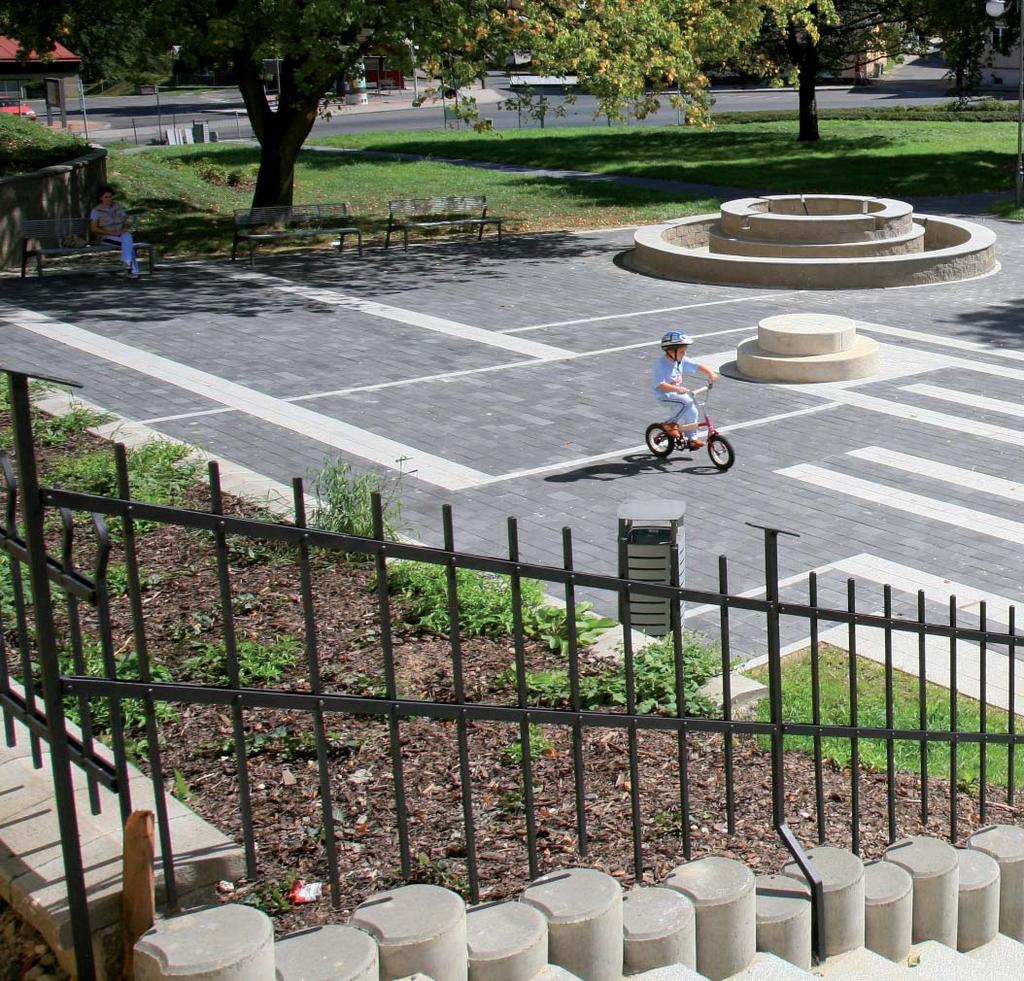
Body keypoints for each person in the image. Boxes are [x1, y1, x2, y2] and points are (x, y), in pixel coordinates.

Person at [652, 330, 718, 450]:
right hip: (664, 395)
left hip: (676, 394)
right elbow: (660, 385)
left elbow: (696, 365)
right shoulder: (661, 364)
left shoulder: (681, 359)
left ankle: (692, 439)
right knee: (686, 403)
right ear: (671, 351)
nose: (685, 353)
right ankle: (669, 424)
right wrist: (677, 388)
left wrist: (710, 373)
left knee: (693, 411)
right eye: (682, 351)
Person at [89, 185, 140, 277]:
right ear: (101, 198)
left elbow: (126, 222)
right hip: (107, 237)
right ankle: (131, 270)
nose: (109, 199)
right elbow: (94, 228)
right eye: (106, 197)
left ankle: (127, 264)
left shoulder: (118, 208)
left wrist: (126, 225)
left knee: (127, 237)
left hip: (120, 234)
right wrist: (110, 233)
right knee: (128, 244)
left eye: (110, 197)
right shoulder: (96, 211)